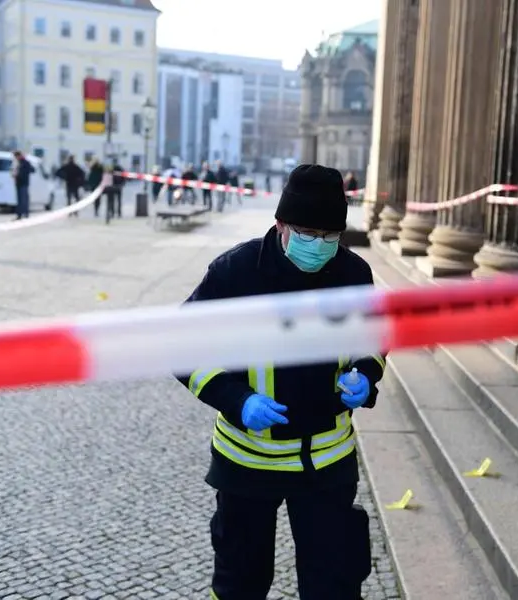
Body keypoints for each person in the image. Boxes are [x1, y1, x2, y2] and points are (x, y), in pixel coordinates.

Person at [176, 164, 385, 600]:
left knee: (333, 584)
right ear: (281, 225)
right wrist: (235, 399)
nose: (320, 246)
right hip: (248, 461)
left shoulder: (354, 274)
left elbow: (376, 338)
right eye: (309, 235)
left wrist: (366, 372)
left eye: (331, 238)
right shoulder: (235, 273)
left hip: (327, 464)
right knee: (240, 583)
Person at [12, 150, 35, 220]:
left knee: (23, 199)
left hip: (23, 183)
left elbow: (32, 170)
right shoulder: (18, 163)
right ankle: (20, 214)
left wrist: (19, 174)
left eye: (16, 156)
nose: (15, 158)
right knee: (19, 199)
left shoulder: (25, 162)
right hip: (19, 183)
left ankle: (25, 214)